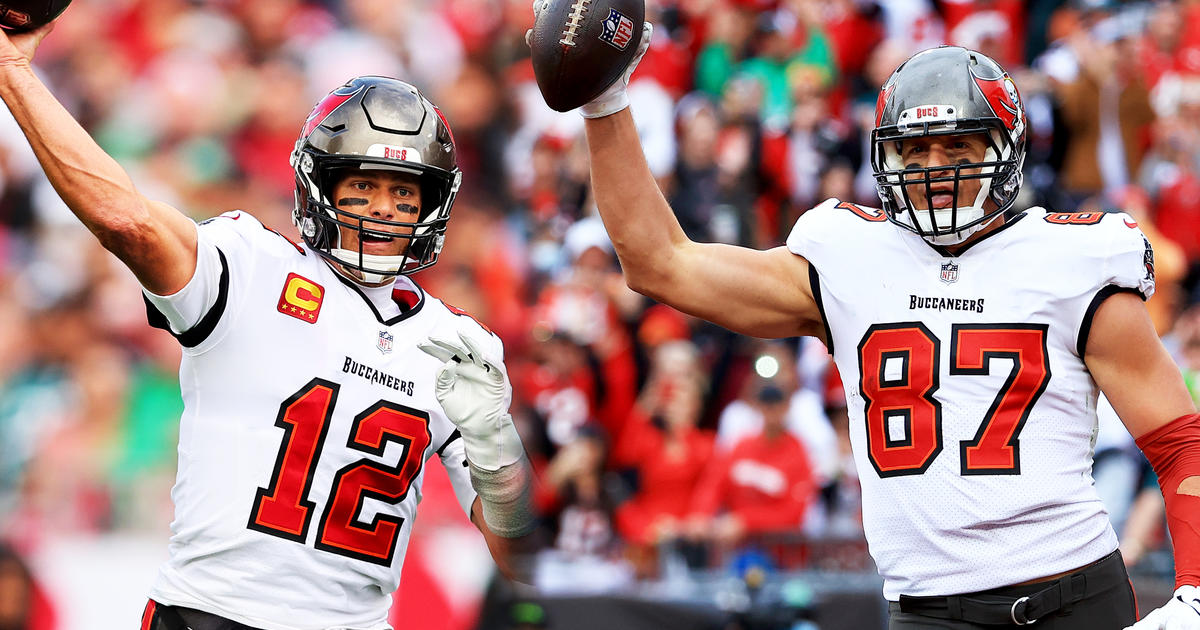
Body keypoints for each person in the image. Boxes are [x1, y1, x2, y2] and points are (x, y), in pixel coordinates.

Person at [532, 11, 1200, 628]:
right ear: (884, 158)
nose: (934, 170)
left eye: (957, 148)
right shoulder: (848, 255)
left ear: (1007, 150)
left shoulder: (1073, 258)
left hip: (1072, 601)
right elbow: (659, 264)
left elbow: (1180, 442)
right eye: (915, 151)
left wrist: (1197, 589)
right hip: (927, 612)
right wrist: (606, 102)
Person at [0, 22, 536, 630]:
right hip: (213, 613)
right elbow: (127, 221)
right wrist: (13, 73)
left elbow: (523, 558)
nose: (386, 208)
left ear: (431, 207)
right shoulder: (251, 267)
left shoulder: (458, 347)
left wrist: (496, 450)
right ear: (319, 186)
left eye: (404, 193)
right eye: (363, 184)